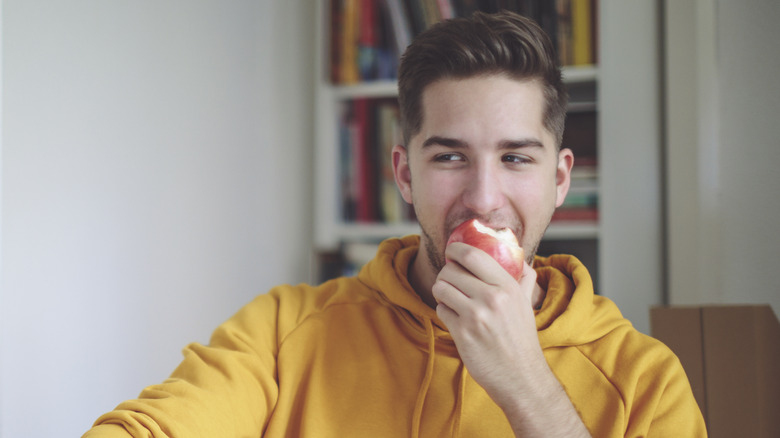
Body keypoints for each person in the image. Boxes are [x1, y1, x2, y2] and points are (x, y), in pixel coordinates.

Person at [84, 11, 706, 438]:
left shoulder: (644, 379)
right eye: (450, 156)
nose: (483, 197)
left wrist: (527, 387)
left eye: (516, 157)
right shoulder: (282, 333)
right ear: (404, 175)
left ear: (560, 180)